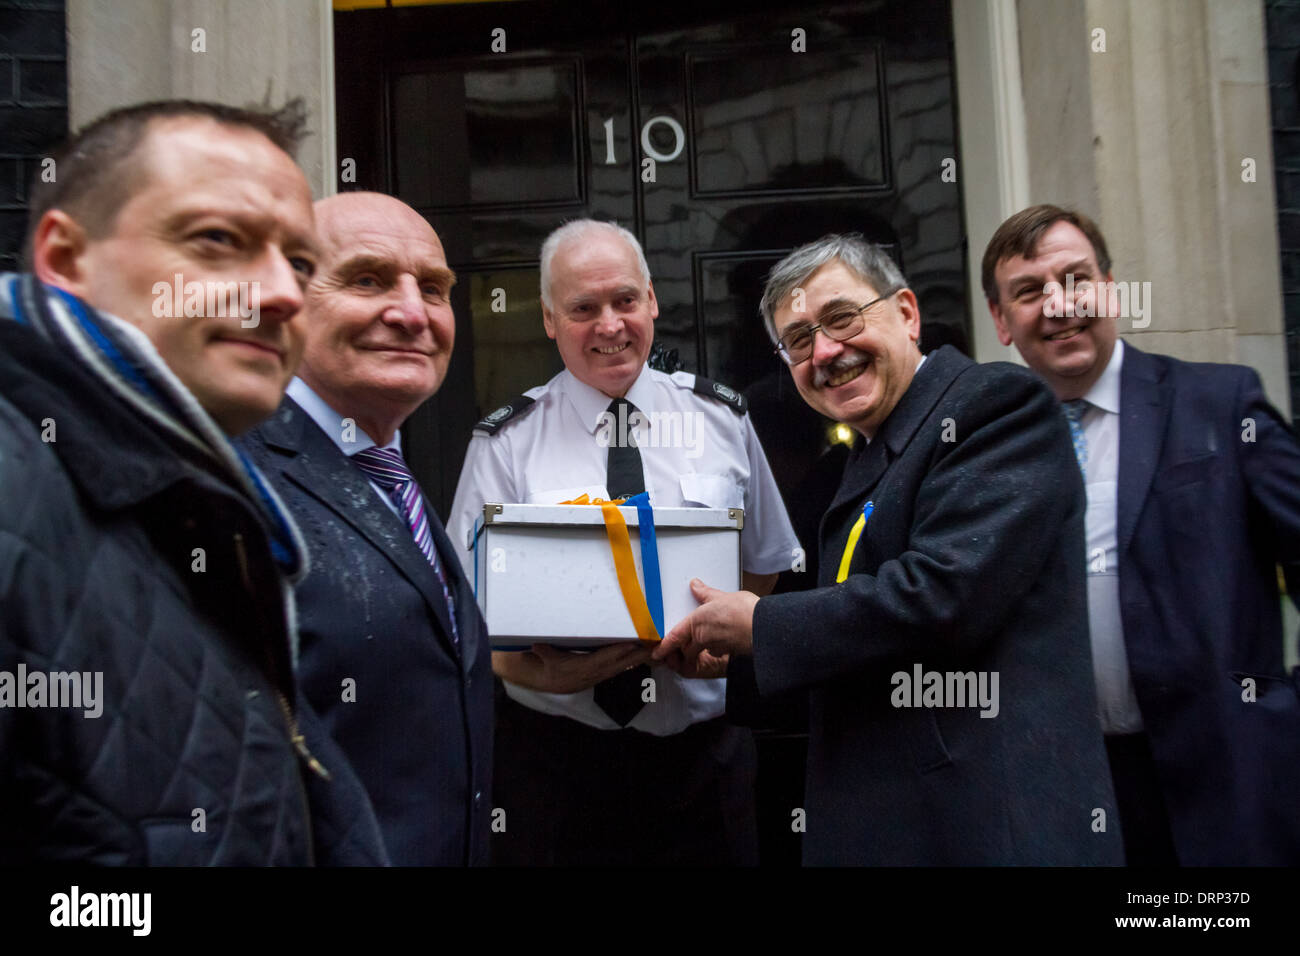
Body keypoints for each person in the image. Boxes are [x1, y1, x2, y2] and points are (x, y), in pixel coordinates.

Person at [655, 233, 1123, 866]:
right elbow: (865, 654)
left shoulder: (995, 406)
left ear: (906, 312)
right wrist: (736, 660)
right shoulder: (867, 454)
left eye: (842, 318)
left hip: (985, 832)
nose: (824, 352)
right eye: (798, 340)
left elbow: (941, 597)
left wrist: (761, 624)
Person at [0, 99, 386, 865]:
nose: (280, 293)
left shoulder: (192, 506)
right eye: (218, 240)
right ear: (67, 259)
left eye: (301, 263)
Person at [447, 219, 799, 865]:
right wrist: (536, 672)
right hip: (554, 756)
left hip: (704, 756)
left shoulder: (722, 419)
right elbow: (460, 616)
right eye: (584, 308)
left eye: (625, 300)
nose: (610, 326)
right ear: (550, 319)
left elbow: (767, 562)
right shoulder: (504, 442)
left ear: (652, 301)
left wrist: (725, 640)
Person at [983, 204, 1300, 865]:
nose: (1059, 304)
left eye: (1076, 278)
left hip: (1228, 784)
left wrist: (1280, 719)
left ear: (1111, 288)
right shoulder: (989, 447)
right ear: (1001, 322)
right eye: (1029, 291)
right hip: (1071, 796)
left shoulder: (1220, 404)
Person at [240, 192, 493, 866]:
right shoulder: (234, 480)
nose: (412, 313)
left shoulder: (394, 475)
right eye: (366, 279)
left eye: (433, 289)